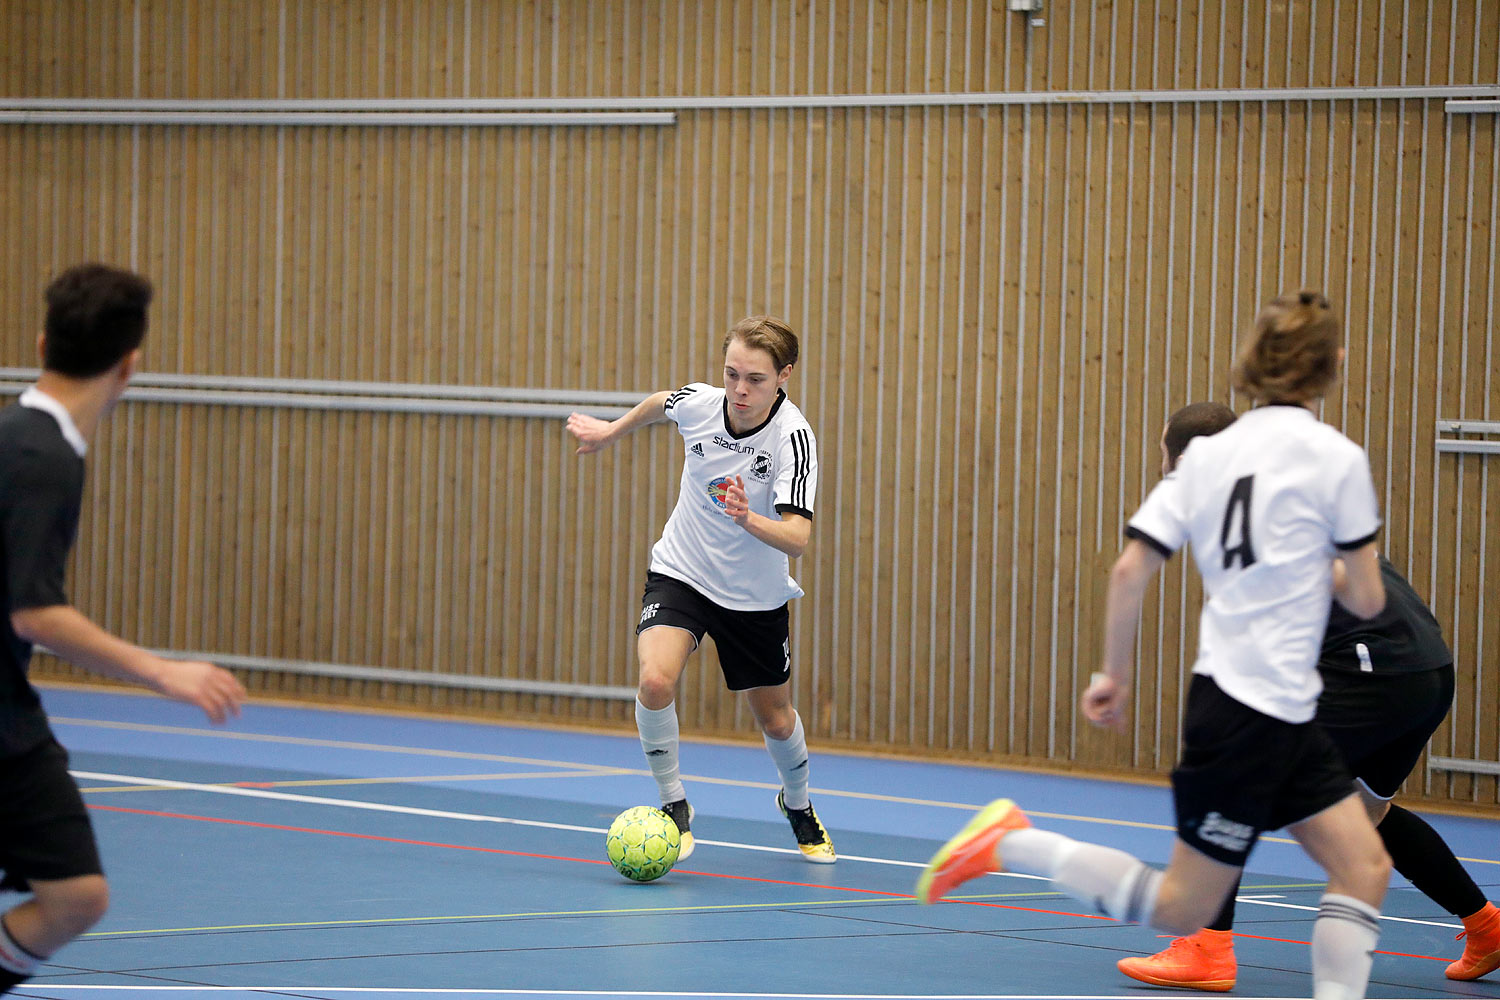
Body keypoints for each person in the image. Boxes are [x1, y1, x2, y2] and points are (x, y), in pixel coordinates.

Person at [917, 291, 1394, 1000]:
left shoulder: (1209, 454)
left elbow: (1131, 566)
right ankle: (1009, 844)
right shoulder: (1338, 460)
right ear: (1335, 364)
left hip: (1273, 711)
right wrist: (1319, 565)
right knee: (1182, 907)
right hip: (1250, 715)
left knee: (1365, 867)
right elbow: (1366, 599)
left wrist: (1114, 673)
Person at [1116, 402, 1500, 990]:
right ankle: (1488, 927)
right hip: (1423, 669)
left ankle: (1207, 949)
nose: (1162, 468)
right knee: (1367, 814)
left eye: (1164, 454)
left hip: (1368, 671)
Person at [0, 263, 248, 996]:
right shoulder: (40, 456)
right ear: (131, 365)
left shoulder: (23, 439)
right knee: (75, 895)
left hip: (10, 713)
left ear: (44, 340)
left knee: (75, 893)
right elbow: (34, 610)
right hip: (3, 724)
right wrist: (162, 671)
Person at [566, 316, 833, 863]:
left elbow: (798, 539)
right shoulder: (702, 404)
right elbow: (662, 402)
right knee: (654, 680)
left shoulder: (793, 439)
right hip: (682, 571)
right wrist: (609, 431)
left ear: (785, 375)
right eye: (732, 374)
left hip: (754, 597)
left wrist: (747, 519)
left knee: (776, 719)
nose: (739, 390)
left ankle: (799, 804)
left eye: (755, 379)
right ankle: (673, 804)